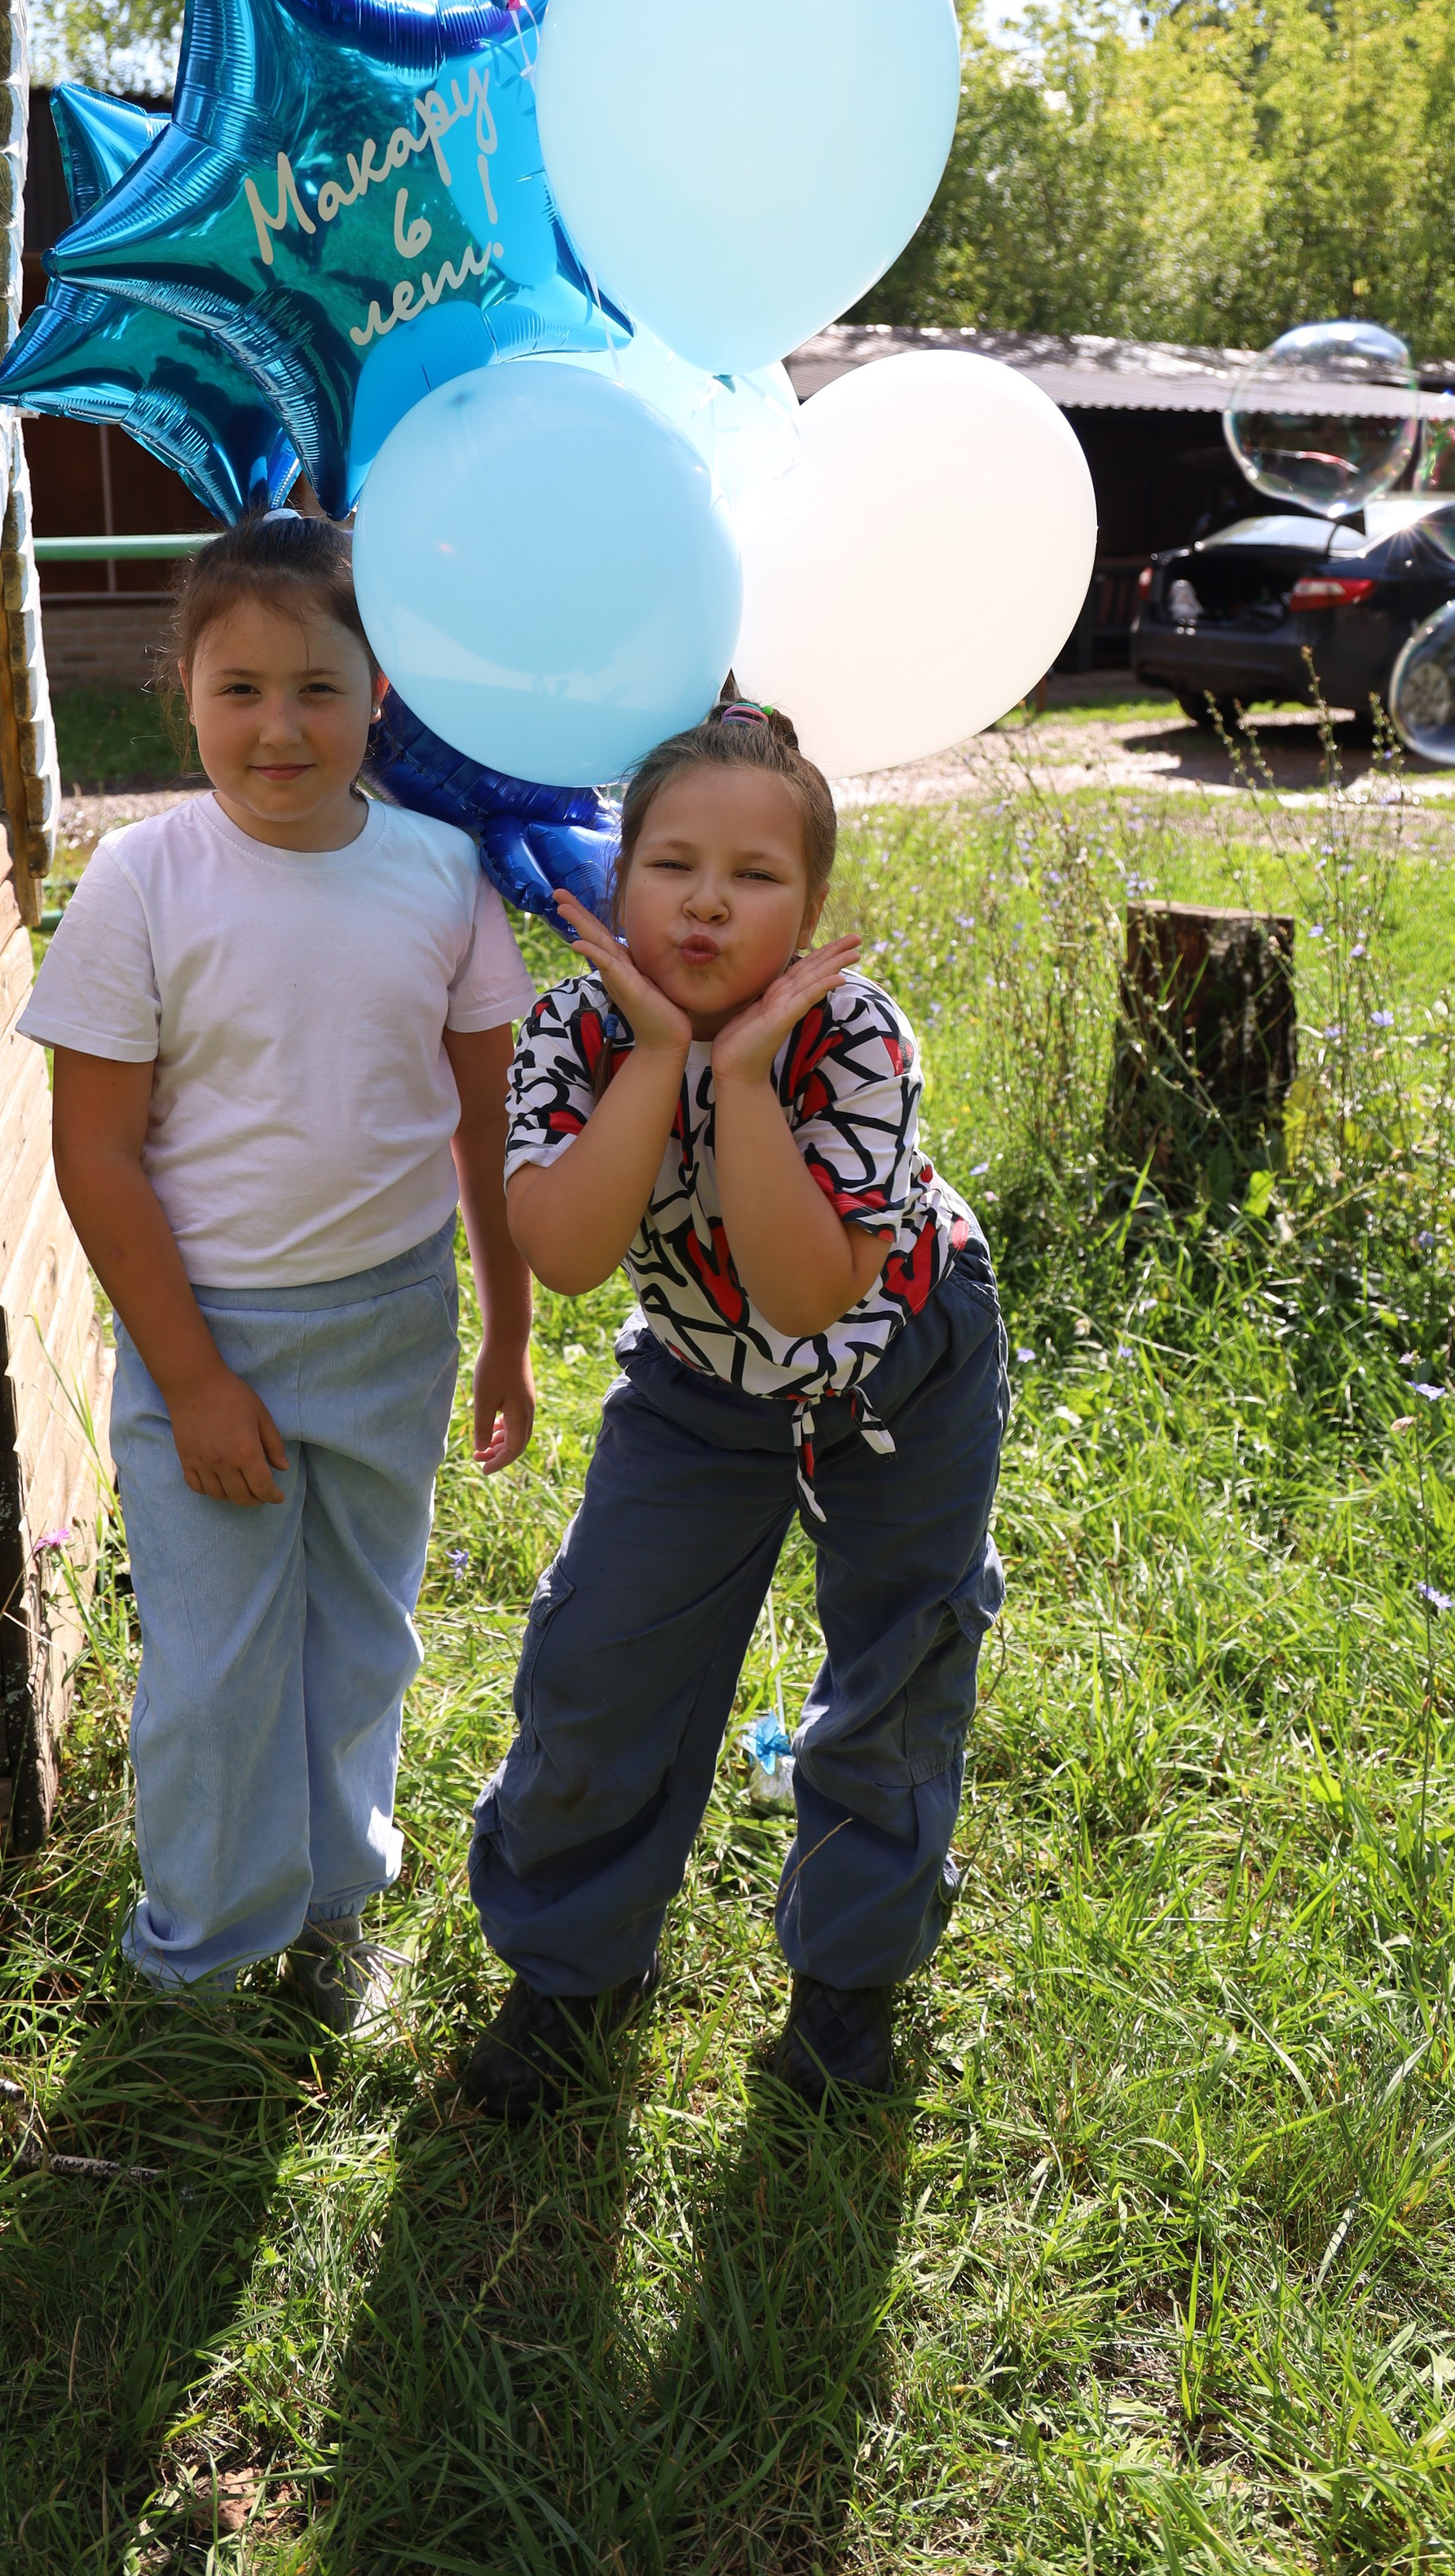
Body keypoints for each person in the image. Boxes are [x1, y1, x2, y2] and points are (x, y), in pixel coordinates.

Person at [461, 698, 1007, 2113]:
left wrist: (746, 1069)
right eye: (671, 865)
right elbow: (571, 1259)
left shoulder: (855, 1039)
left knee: (897, 1668)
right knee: (600, 1662)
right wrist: (659, 1056)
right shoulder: (574, 1033)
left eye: (756, 878)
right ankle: (573, 1970)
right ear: (615, 875)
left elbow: (807, 1288)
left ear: (815, 910)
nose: (707, 903)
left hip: (900, 1378)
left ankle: (847, 1982)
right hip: (699, 1385)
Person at [25, 512, 536, 2023]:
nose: (278, 725)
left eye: (319, 687)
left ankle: (330, 1912)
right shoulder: (143, 883)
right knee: (218, 1661)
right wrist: (191, 1378)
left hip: (392, 1324)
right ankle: (196, 1953)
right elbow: (96, 1155)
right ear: (180, 686)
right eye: (239, 687)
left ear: (383, 692)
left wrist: (505, 1336)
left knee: (361, 1636)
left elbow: (483, 1135)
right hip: (212, 1335)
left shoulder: (445, 877)